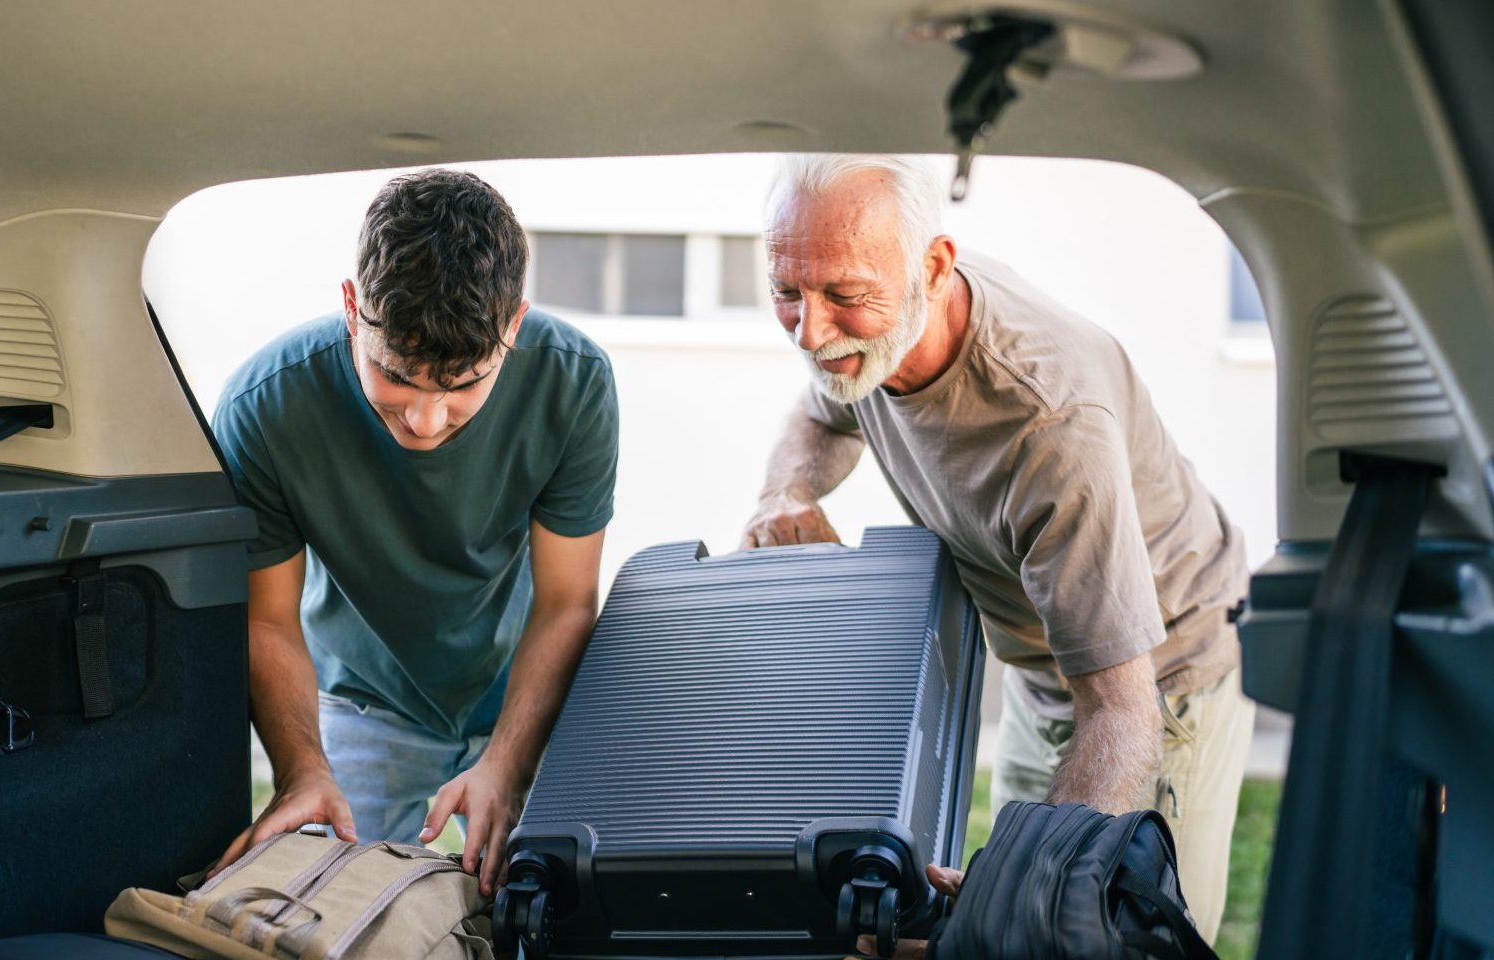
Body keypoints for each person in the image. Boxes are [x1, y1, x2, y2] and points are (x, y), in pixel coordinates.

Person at [741, 154, 1255, 941]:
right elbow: (821, 415)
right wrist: (784, 494)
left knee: (1096, 930)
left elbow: (1120, 709)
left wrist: (1028, 885)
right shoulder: (871, 312)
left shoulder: (1050, 425)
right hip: (1040, 662)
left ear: (934, 269)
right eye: (786, 292)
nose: (809, 331)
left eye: (842, 296)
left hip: (1161, 677)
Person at [209, 169, 617, 897]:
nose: (425, 421)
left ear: (513, 327)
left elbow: (566, 602)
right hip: (364, 696)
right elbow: (267, 618)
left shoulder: (575, 381)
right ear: (350, 308)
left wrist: (507, 763)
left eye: (463, 384)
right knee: (338, 910)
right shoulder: (263, 406)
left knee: (558, 909)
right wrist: (303, 769)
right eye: (395, 375)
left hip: (521, 688)